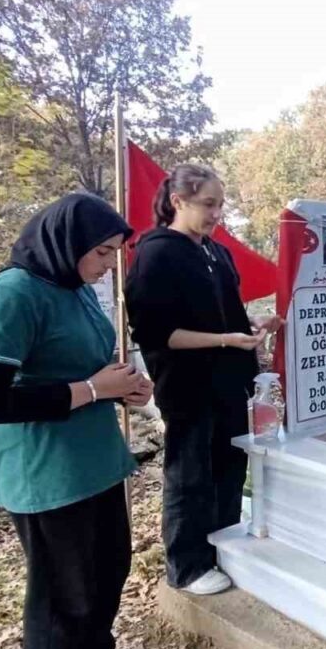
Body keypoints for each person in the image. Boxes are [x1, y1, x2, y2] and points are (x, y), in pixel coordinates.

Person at [0, 193, 171, 649]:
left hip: (94, 460)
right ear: (65, 244)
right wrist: (97, 389)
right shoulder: (13, 294)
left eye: (112, 255)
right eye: (100, 253)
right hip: (44, 469)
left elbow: (86, 368)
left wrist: (123, 386)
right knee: (61, 587)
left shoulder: (73, 291)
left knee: (107, 568)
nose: (106, 266)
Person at [125, 164, 281, 597]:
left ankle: (224, 546)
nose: (216, 214)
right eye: (208, 204)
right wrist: (226, 339)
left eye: (219, 205)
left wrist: (249, 325)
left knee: (230, 468)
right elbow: (160, 333)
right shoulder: (155, 254)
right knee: (191, 474)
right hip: (189, 386)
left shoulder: (217, 253)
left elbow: (223, 314)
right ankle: (188, 564)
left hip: (231, 381)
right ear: (179, 202)